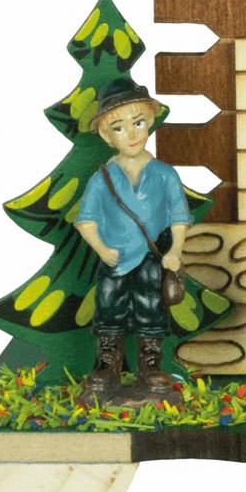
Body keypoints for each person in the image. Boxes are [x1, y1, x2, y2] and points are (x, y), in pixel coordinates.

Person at [76, 83, 191, 396]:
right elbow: (87, 221)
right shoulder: (102, 179)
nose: (131, 134)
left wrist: (175, 250)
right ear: (107, 136)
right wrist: (102, 250)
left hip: (152, 258)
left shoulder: (165, 174)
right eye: (119, 128)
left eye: (138, 122)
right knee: (109, 306)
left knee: (151, 307)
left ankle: (150, 364)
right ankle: (107, 363)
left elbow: (179, 216)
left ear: (150, 122)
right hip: (114, 259)